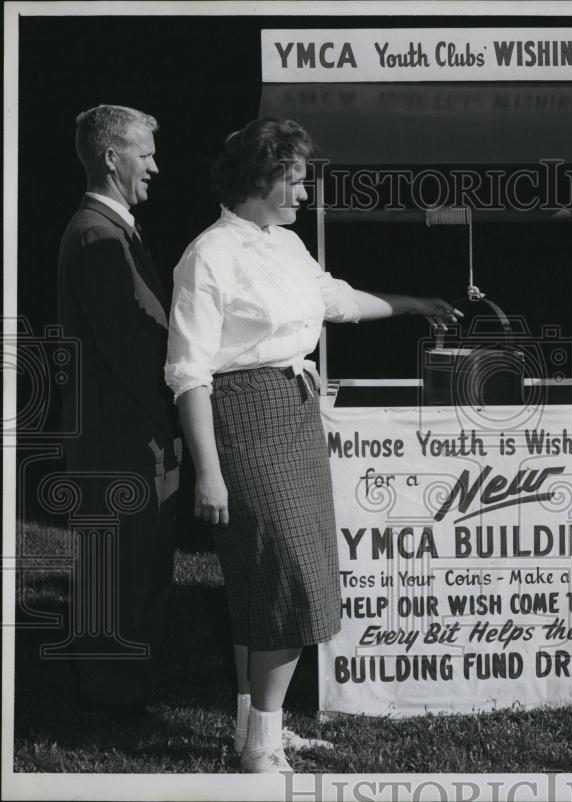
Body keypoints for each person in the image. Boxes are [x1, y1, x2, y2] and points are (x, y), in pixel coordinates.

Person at [164, 118, 460, 772]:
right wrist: (208, 472)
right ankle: (263, 747)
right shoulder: (208, 255)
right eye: (293, 181)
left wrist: (414, 302)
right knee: (289, 577)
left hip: (296, 413)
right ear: (257, 178)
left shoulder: (286, 244)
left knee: (257, 581)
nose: (303, 193)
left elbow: (338, 301)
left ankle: (250, 727)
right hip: (244, 416)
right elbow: (188, 372)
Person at [57, 104, 180, 713]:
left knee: (142, 568)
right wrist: (181, 411)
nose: (155, 166)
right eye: (145, 154)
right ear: (111, 157)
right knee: (120, 573)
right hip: (121, 442)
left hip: (135, 438)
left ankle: (129, 687)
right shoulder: (98, 236)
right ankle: (111, 698)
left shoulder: (111, 229)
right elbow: (130, 349)